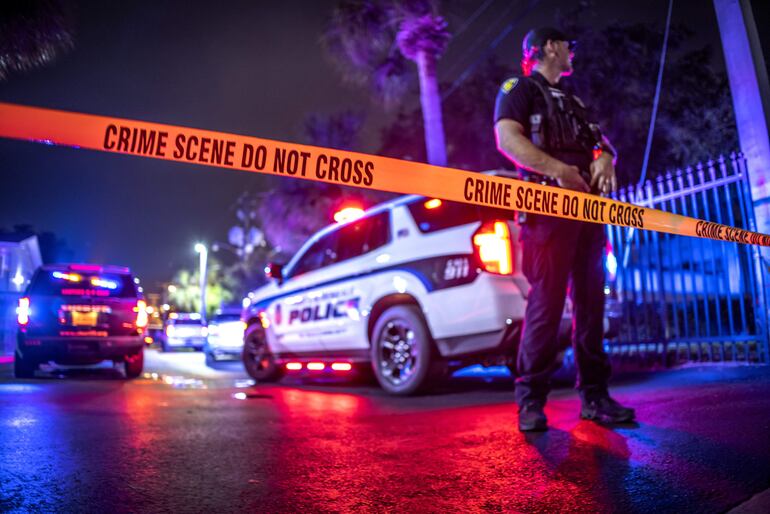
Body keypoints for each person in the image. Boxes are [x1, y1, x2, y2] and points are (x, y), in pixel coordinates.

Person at [493, 27, 635, 431]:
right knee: (547, 304)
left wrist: (606, 157)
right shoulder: (518, 87)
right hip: (545, 209)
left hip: (588, 213)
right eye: (568, 45)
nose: (573, 52)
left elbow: (600, 143)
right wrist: (558, 170)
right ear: (550, 48)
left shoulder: (573, 101)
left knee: (592, 305)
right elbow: (507, 138)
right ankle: (531, 401)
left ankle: (595, 397)